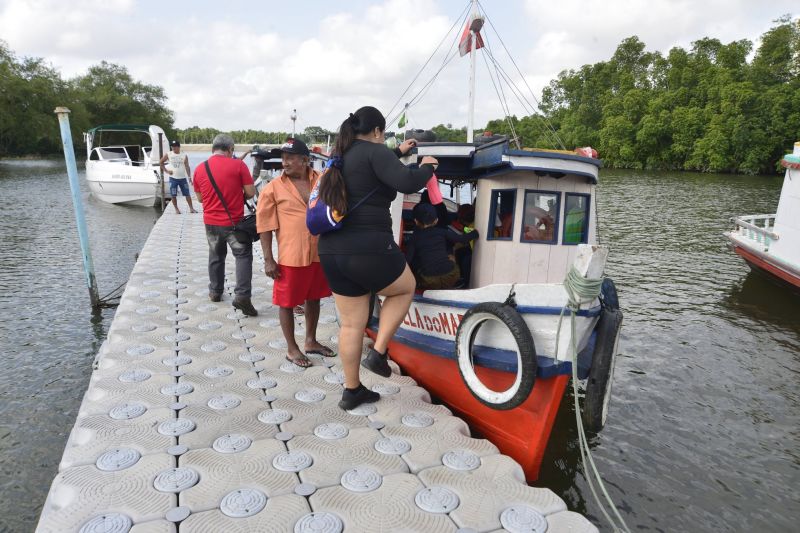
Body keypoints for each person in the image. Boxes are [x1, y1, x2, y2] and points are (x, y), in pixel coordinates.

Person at [317, 106, 438, 410]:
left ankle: (352, 390)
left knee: (351, 325)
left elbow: (369, 170)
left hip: (331, 249)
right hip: (367, 246)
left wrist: (397, 151)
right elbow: (409, 183)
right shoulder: (375, 150)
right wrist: (428, 167)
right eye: (383, 135)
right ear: (376, 132)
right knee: (404, 286)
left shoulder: (341, 157)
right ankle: (379, 352)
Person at [256, 138, 334, 367]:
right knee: (286, 302)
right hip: (291, 256)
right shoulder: (273, 188)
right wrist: (269, 259)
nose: (285, 162)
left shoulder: (322, 181)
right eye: (283, 157)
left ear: (305, 160)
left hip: (319, 252)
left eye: (291, 158)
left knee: (315, 297)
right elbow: (265, 226)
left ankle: (311, 341)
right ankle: (292, 349)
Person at [192, 134, 258, 316]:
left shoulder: (199, 168)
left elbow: (199, 199)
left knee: (215, 255)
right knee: (243, 256)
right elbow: (251, 193)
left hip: (211, 223)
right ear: (230, 149)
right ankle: (243, 296)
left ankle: (215, 291)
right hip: (234, 223)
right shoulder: (238, 165)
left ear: (213, 149)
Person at [406, 203, 478, 290]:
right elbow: (462, 239)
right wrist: (475, 233)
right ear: (436, 220)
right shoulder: (442, 232)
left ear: (416, 221)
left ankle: (419, 286)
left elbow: (408, 260)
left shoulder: (414, 238)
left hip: (429, 281)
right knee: (451, 256)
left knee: (418, 265)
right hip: (450, 276)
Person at [159, 140, 197, 214]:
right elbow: (161, 162)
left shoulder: (184, 155)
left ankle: (191, 208)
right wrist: (166, 171)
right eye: (172, 146)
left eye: (175, 146)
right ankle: (176, 209)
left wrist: (189, 178)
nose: (173, 147)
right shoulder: (168, 154)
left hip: (182, 179)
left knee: (187, 194)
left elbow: (187, 166)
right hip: (173, 179)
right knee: (173, 195)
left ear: (179, 147)